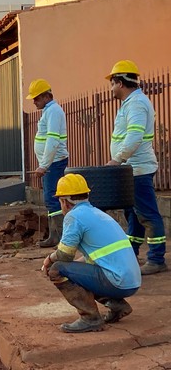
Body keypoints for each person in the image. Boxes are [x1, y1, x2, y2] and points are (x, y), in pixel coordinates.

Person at [42, 173, 141, 333]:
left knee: (57, 268)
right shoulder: (98, 214)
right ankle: (116, 305)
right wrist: (74, 268)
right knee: (75, 271)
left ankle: (90, 318)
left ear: (65, 201)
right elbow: (94, 258)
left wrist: (49, 260)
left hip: (117, 281)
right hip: (131, 281)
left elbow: (65, 255)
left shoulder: (74, 217)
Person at [105, 60, 167, 275]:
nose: (111, 88)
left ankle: (157, 259)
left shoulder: (137, 104)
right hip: (131, 169)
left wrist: (117, 159)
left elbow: (134, 135)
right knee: (133, 215)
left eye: (112, 83)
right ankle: (132, 254)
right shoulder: (131, 103)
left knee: (148, 215)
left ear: (120, 82)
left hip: (138, 169)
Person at [26, 79, 68, 248]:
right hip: (52, 163)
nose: (34, 102)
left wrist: (44, 165)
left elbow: (52, 140)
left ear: (45, 96)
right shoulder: (49, 111)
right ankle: (55, 235)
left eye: (36, 98)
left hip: (54, 163)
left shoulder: (54, 112)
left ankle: (59, 237)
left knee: (53, 200)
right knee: (51, 199)